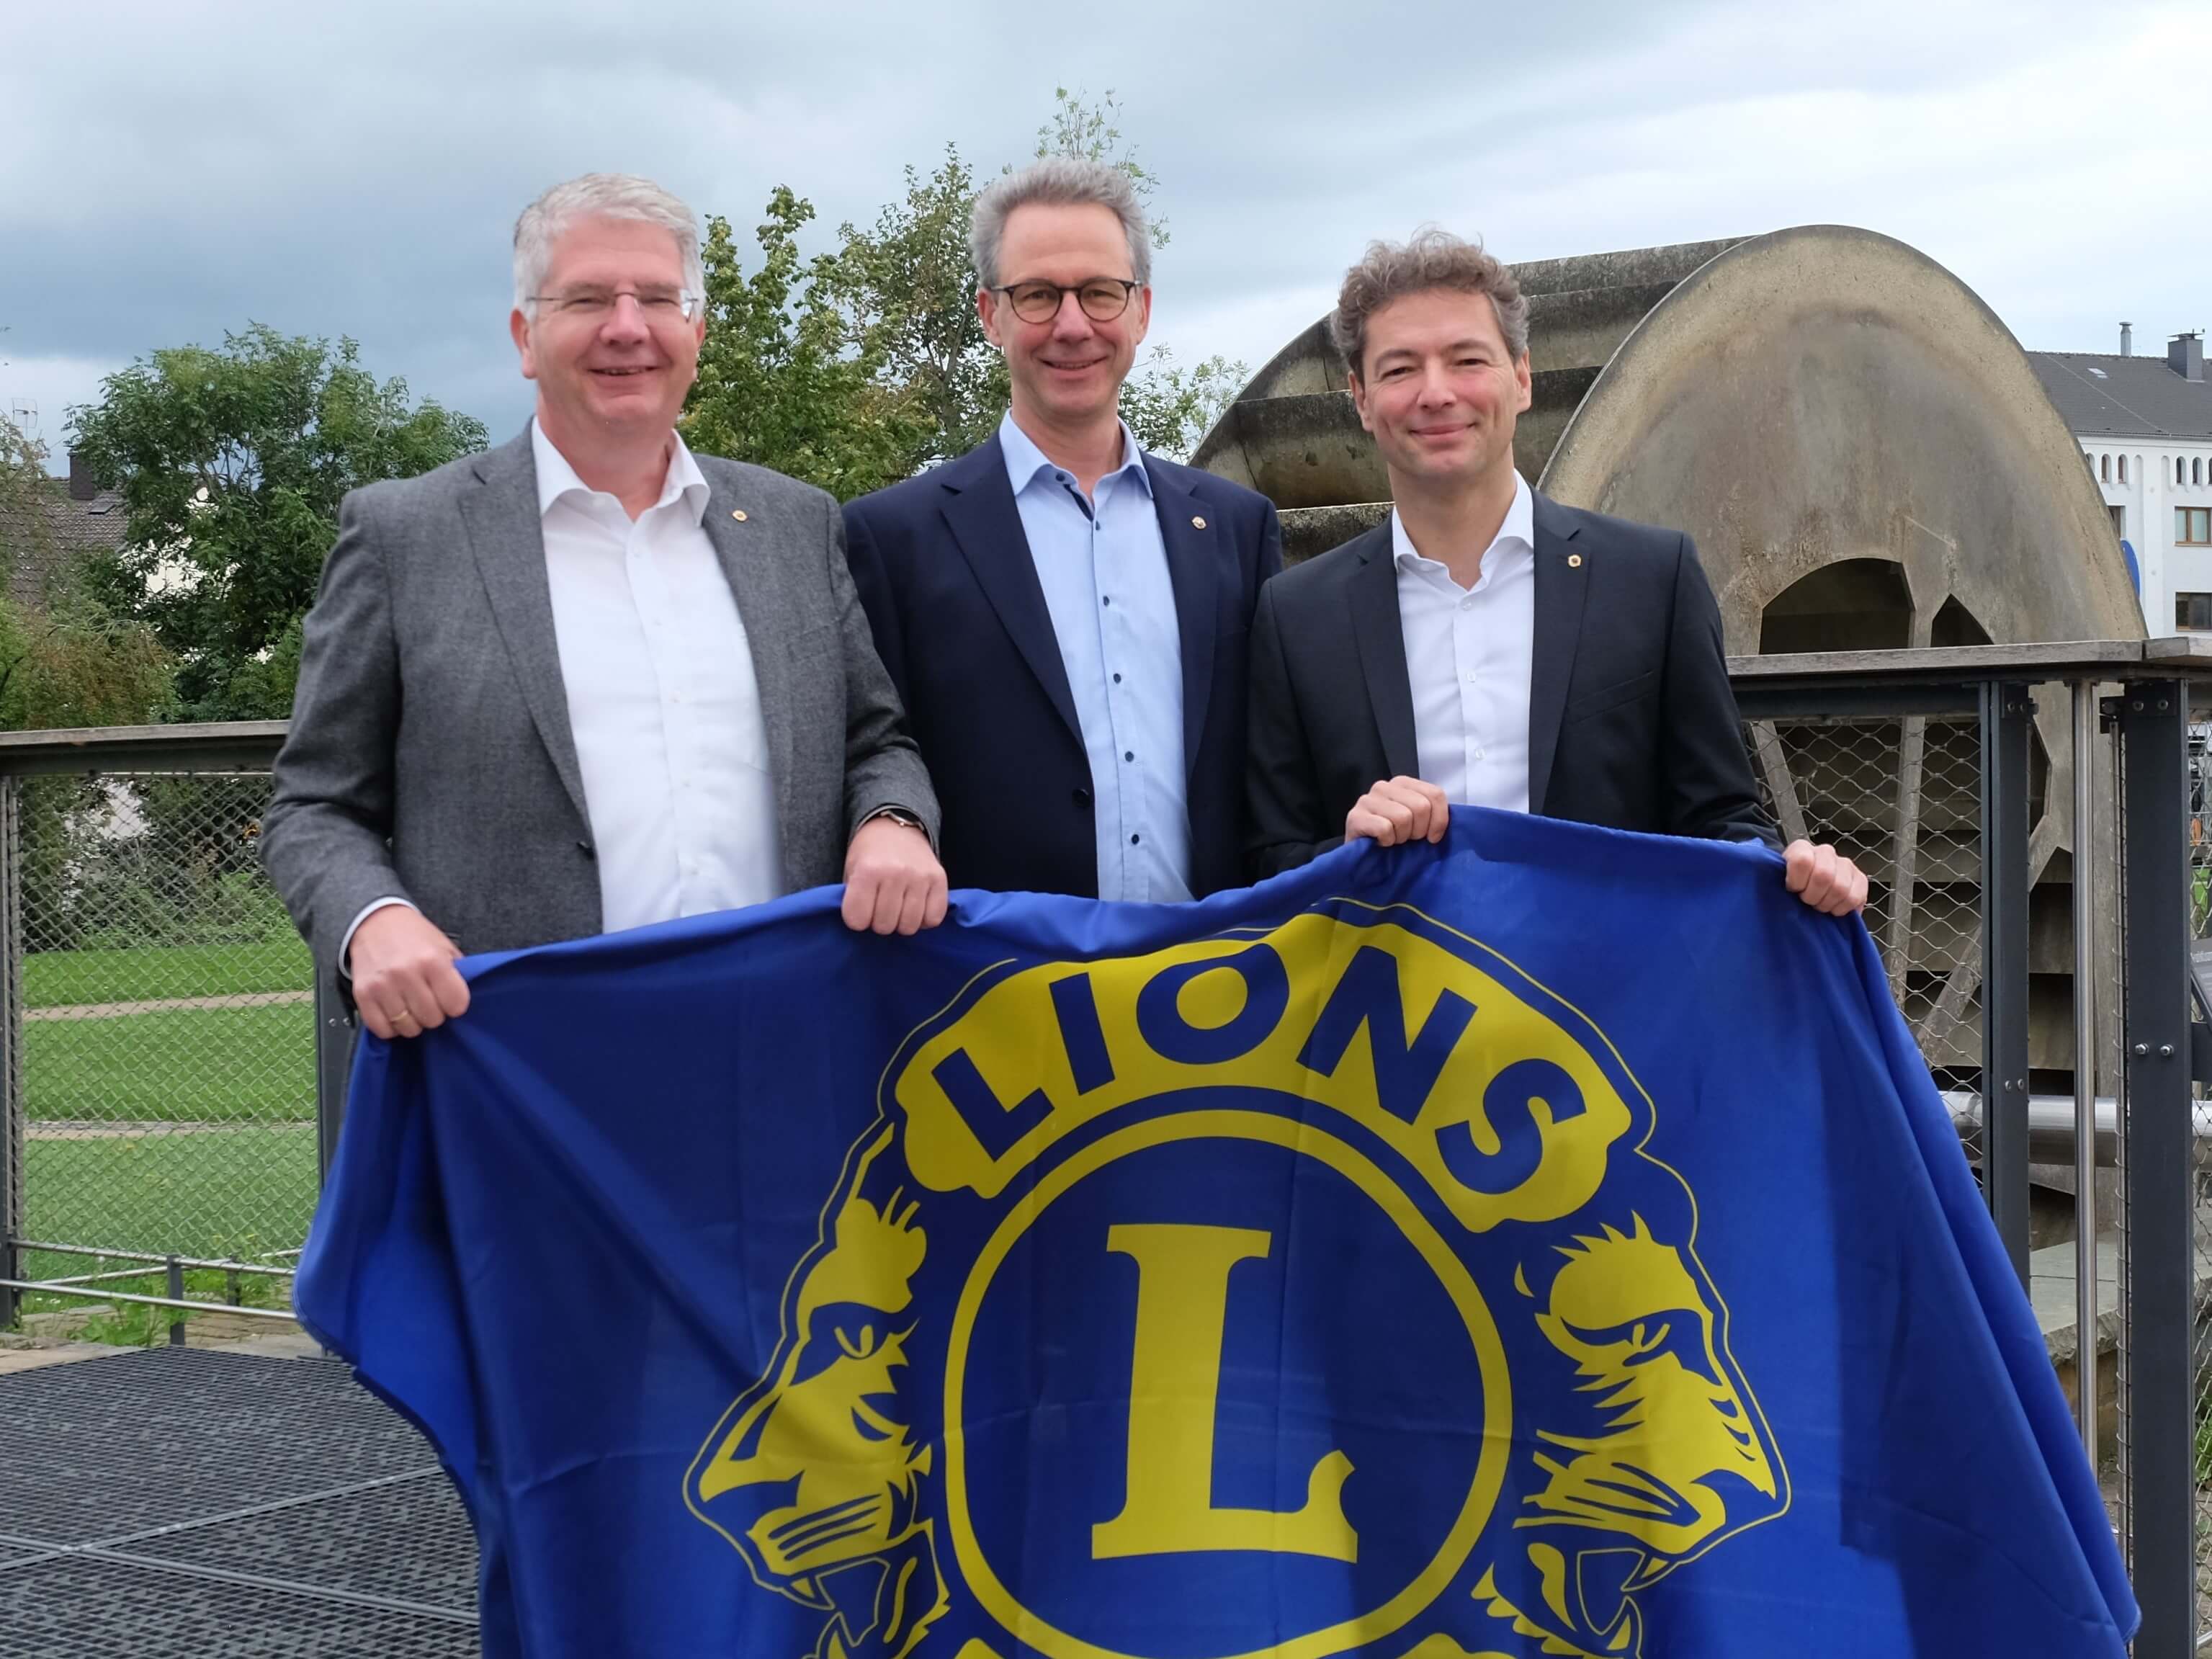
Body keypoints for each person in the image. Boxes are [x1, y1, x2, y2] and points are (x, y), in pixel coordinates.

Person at [262, 174, 946, 1043]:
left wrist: (892, 823)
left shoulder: (793, 523)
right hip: (519, 1078)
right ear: (524, 335)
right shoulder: (406, 534)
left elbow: (875, 742)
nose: (627, 327)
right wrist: (371, 918)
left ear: (695, 331)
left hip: (785, 1049)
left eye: (658, 298)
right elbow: (314, 804)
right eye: (587, 298)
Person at [1245, 229, 1868, 916]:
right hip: (1399, 1012)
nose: (1435, 393)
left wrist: (1794, 872)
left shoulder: (1651, 579)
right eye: (1398, 370)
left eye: (1466, 360)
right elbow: (1267, 860)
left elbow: (1720, 820)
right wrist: (1348, 850)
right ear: (1360, 399)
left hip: (1602, 1008)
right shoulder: (1296, 614)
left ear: (1520, 377)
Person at [843, 158, 1281, 900]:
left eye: (1099, 293)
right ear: (990, 315)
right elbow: (870, 752)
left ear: (1140, 310)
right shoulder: (890, 539)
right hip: (998, 988)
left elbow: (1276, 763)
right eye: (1038, 295)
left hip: (1209, 981)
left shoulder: (1235, 525)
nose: (1072, 325)